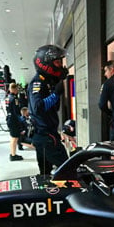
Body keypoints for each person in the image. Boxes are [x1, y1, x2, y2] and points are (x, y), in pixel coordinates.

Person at [28, 44, 70, 174]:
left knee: (45, 175)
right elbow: (38, 108)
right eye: (57, 62)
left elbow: (53, 108)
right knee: (68, 169)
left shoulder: (47, 81)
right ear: (46, 64)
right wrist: (56, 94)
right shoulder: (38, 82)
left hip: (46, 135)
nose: (60, 65)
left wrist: (58, 82)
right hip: (45, 136)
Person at [5, 83, 24, 161]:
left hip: (9, 118)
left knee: (13, 137)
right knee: (14, 137)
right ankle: (13, 155)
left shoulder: (7, 98)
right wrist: (21, 119)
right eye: (16, 89)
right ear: (14, 89)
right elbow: (16, 111)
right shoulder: (14, 98)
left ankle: (13, 153)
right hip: (14, 120)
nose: (17, 91)